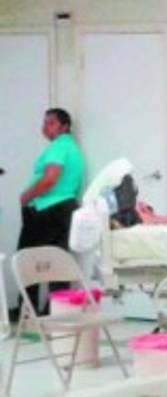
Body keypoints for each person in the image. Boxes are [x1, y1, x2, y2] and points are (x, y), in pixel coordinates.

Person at [17, 108, 85, 314]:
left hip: (48, 209)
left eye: (50, 123)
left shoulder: (59, 146)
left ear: (64, 127)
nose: (44, 127)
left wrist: (26, 196)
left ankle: (27, 311)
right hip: (65, 208)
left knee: (28, 260)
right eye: (44, 122)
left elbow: (49, 179)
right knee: (57, 262)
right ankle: (57, 311)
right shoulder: (70, 148)